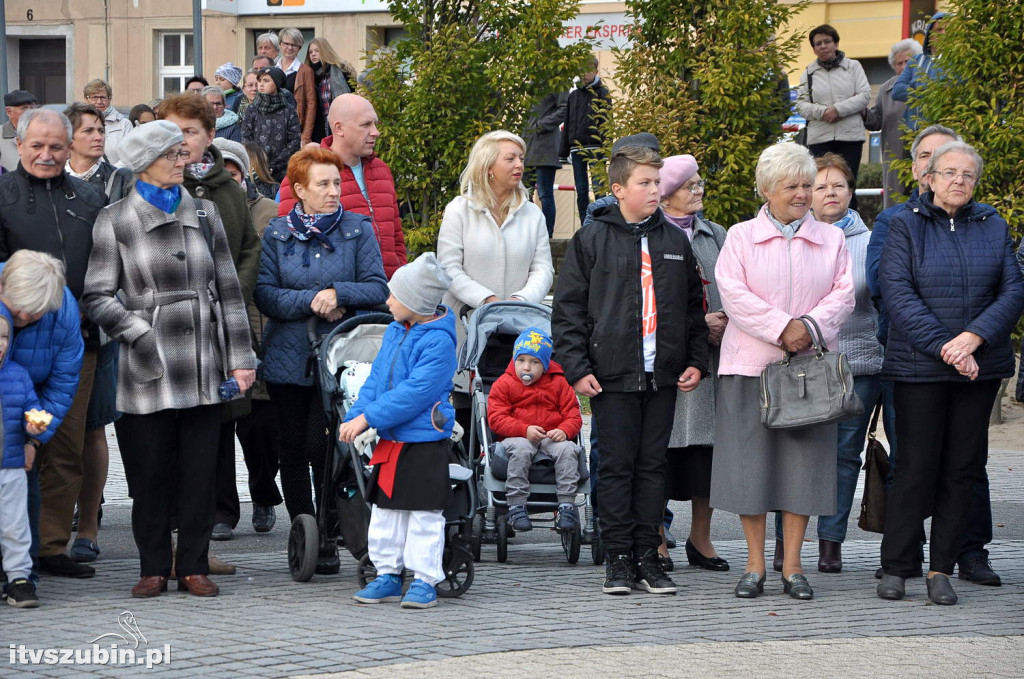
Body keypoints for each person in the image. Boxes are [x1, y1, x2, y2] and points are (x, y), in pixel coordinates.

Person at [82, 120, 257, 599]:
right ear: (145, 162)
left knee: (202, 471)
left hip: (203, 361)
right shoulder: (114, 218)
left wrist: (241, 359)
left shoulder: (204, 212)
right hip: (146, 364)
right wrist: (138, 330)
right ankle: (153, 566)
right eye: (174, 156)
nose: (185, 162)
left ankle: (194, 565)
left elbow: (229, 291)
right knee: (150, 472)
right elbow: (96, 295)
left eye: (183, 154)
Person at [553, 145, 709, 596]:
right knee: (617, 467)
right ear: (619, 189)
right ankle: (618, 559)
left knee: (652, 467)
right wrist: (577, 368)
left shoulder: (674, 241)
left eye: (658, 183)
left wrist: (696, 361)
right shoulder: (591, 239)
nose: (654, 190)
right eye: (644, 182)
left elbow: (693, 310)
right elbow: (567, 312)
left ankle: (649, 556)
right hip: (611, 377)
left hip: (661, 377)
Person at [876, 141, 1024, 606]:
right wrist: (948, 347)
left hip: (978, 370)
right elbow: (896, 293)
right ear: (929, 178)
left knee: (962, 468)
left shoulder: (993, 225)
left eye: (967, 175)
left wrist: (973, 338)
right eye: (949, 172)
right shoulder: (903, 224)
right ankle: (898, 567)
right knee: (914, 468)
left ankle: (941, 568)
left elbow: (1013, 290)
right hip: (920, 367)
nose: (959, 181)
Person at [710, 142, 854, 602]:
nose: (802, 194)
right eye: (791, 186)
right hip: (749, 368)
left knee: (804, 467)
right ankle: (754, 566)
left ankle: (793, 566)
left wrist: (807, 328)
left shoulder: (831, 238)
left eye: (806, 185)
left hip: (809, 371)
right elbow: (731, 292)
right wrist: (780, 328)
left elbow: (843, 295)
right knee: (749, 467)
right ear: (767, 190)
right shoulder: (739, 236)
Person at [254, 147, 388, 572]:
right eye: (323, 185)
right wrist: (312, 300)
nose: (334, 192)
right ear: (299, 190)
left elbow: (377, 287)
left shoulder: (357, 230)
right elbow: (265, 294)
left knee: (328, 447)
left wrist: (339, 293)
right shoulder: (277, 234)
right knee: (292, 448)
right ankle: (304, 529)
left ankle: (333, 526)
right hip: (288, 358)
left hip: (341, 360)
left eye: (337, 183)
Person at [0, 108, 104, 579]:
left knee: (61, 446)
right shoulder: (1, 197)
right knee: (10, 446)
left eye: (56, 147)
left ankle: (50, 545)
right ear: (19, 146)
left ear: (70, 148)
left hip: (71, 344)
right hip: (10, 347)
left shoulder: (88, 197)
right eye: (37, 146)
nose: (46, 155)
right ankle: (12, 555)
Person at [158, 92, 262, 547]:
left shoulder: (228, 190)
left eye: (190, 132)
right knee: (172, 420)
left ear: (209, 136)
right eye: (172, 132)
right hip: (168, 324)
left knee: (218, 420)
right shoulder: (151, 186)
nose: (181, 143)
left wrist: (229, 294)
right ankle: (173, 513)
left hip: (220, 322)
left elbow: (248, 249)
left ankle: (221, 509)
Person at [772, 153, 884, 574]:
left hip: (859, 367)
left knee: (842, 457)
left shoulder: (872, 239)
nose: (828, 192)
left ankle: (830, 542)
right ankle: (786, 544)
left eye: (837, 184)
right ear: (804, 194)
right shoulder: (791, 237)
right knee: (795, 456)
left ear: (851, 191)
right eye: (818, 186)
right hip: (800, 366)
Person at [341, 253, 457, 610]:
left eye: (394, 295)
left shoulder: (439, 341)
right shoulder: (395, 329)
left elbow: (415, 394)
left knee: (423, 514)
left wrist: (369, 418)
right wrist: (356, 414)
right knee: (386, 512)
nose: (387, 301)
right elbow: (377, 380)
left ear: (415, 302)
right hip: (391, 440)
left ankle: (424, 579)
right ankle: (387, 574)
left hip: (422, 441)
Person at [63, 102, 134, 564]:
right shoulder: (44, 183)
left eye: (100, 129)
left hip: (103, 325)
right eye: (87, 130)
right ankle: (50, 526)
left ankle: (88, 525)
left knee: (93, 429)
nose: (96, 136)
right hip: (53, 322)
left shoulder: (119, 182)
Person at [655, 154, 730, 574]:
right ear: (666, 195)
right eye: (690, 185)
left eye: (700, 183)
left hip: (715, 362)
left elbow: (737, 287)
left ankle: (700, 539)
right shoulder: (652, 234)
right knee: (660, 454)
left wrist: (728, 323)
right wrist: (698, 325)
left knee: (708, 454)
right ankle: (655, 539)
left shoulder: (715, 234)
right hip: (670, 363)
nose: (698, 190)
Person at [213, 137, 282, 533]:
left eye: (234, 170)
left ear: (244, 173)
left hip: (258, 329)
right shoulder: (197, 206)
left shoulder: (267, 211)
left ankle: (262, 492)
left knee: (259, 428)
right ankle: (223, 509)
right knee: (219, 427)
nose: (227, 177)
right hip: (212, 333)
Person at [277, 94, 408, 279]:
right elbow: (291, 247)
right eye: (366, 125)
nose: (376, 132)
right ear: (339, 128)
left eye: (375, 124)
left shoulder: (382, 170)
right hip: (339, 298)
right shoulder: (305, 174)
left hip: (388, 293)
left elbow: (396, 237)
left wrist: (399, 278)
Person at [0, 255, 62, 609]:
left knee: (15, 525)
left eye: (6, 336)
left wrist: (35, 429)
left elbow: (33, 409)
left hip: (10, 465)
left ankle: (20, 578)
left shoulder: (18, 376)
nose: (1, 343)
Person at [437, 130, 553, 314]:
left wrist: (521, 300)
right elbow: (448, 268)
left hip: (518, 324)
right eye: (510, 159)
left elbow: (543, 268)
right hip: (465, 324)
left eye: (521, 159)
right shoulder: (458, 210)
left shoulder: (533, 214)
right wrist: (487, 300)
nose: (519, 165)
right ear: (488, 166)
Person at [488, 327, 583, 532]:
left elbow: (573, 414)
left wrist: (565, 430)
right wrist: (524, 429)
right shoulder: (504, 383)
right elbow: (496, 418)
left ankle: (566, 505)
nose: (526, 367)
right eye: (521, 360)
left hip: (551, 436)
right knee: (521, 449)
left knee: (568, 449)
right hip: (517, 437)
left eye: (535, 362)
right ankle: (516, 505)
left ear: (546, 365)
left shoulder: (559, 382)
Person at [795, 24, 870, 209]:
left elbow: (864, 95)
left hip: (850, 136)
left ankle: (851, 227)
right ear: (813, 49)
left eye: (827, 41)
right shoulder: (808, 73)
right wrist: (823, 112)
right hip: (819, 137)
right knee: (820, 184)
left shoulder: (853, 67)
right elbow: (801, 105)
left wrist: (838, 110)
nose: (823, 46)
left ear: (836, 44)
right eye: (818, 43)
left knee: (847, 184)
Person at [864, 39, 922, 208]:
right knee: (896, 205)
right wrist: (861, 109)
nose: (903, 67)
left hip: (923, 155)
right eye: (899, 63)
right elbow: (875, 121)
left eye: (908, 61)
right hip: (895, 159)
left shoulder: (929, 84)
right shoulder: (886, 89)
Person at [560, 55, 611, 226]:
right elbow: (567, 124)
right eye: (581, 70)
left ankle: (601, 224)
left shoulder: (603, 93)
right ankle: (585, 226)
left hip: (596, 148)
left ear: (595, 71)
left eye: (587, 70)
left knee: (599, 189)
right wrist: (563, 152)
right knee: (581, 190)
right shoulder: (573, 95)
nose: (584, 74)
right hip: (577, 148)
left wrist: (606, 149)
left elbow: (607, 122)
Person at [241, 66, 301, 183]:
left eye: (266, 81)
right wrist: (259, 164)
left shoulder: (288, 110)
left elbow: (294, 141)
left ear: (277, 83)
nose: (261, 84)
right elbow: (246, 138)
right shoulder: (252, 109)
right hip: (257, 169)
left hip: (283, 170)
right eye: (260, 81)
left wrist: (276, 165)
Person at [892, 13, 948, 131]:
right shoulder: (916, 60)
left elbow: (950, 91)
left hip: (945, 130)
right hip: (915, 132)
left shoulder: (956, 63)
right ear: (929, 34)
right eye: (939, 29)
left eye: (947, 29)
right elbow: (897, 90)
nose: (944, 33)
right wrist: (928, 93)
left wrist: (916, 87)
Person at [523, 89, 568, 237]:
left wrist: (541, 125)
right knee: (523, 192)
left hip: (546, 146)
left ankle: (547, 235)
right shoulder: (531, 82)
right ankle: (526, 232)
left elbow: (564, 109)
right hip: (528, 145)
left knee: (544, 194)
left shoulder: (557, 82)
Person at [306, 37, 358, 144]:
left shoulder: (342, 70)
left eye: (317, 51)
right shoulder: (310, 75)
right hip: (321, 124)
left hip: (341, 120)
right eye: (310, 52)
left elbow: (352, 95)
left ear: (325, 51)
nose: (313, 54)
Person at [276, 28, 317, 146]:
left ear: (299, 48)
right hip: (273, 126)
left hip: (294, 127)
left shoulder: (305, 71)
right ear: (280, 44)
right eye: (286, 43)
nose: (290, 48)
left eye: (294, 45)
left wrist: (305, 136)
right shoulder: (273, 69)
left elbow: (311, 104)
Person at [83, 79, 134, 166]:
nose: (99, 102)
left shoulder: (124, 124)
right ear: (86, 99)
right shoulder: (78, 123)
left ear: (109, 99)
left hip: (115, 176)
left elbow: (130, 155)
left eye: (103, 97)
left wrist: (112, 173)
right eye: (94, 97)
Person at [1, 90, 39, 172]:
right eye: (24, 108)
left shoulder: (43, 134)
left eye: (33, 108)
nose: (31, 112)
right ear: (9, 112)